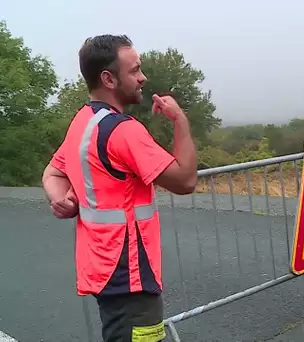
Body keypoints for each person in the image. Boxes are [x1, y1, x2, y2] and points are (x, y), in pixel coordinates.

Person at [41, 34, 198, 341]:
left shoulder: (84, 122)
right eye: (135, 70)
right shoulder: (124, 131)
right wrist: (180, 121)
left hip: (103, 267)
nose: (143, 77)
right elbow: (186, 180)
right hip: (131, 275)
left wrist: (60, 200)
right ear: (108, 78)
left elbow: (52, 172)